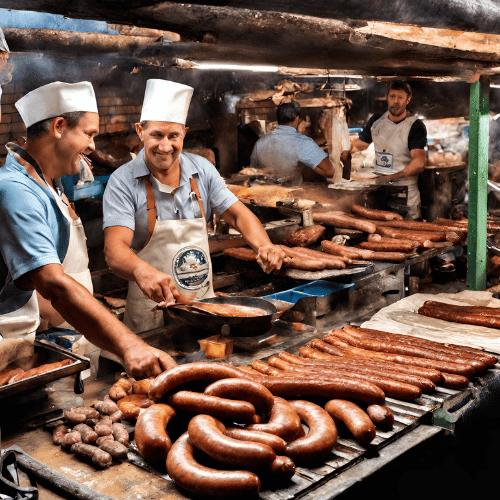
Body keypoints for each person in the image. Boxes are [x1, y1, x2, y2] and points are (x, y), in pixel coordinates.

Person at [0, 81, 177, 378]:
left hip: (27, 337)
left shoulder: (44, 180)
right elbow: (53, 284)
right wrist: (130, 346)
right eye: (89, 133)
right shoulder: (16, 190)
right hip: (7, 341)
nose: (94, 145)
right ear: (59, 126)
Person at [103, 79, 288, 333]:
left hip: (204, 311)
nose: (165, 146)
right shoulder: (122, 182)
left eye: (173, 136)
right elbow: (114, 250)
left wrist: (264, 246)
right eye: (156, 135)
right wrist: (141, 271)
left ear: (184, 134)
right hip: (152, 318)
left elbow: (237, 215)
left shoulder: (202, 171)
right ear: (140, 131)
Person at [350, 81, 427, 219]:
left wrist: (392, 177)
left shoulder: (415, 125)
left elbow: (419, 163)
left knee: (407, 234)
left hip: (404, 192)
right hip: (379, 191)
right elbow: (361, 144)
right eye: (392, 96)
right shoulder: (376, 120)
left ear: (408, 100)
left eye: (400, 97)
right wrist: (345, 151)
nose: (395, 101)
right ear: (386, 97)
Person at [249, 101, 336, 186]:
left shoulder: (261, 141)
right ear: (297, 119)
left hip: (265, 195)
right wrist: (310, 165)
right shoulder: (302, 142)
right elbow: (329, 171)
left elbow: (253, 172)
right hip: (290, 196)